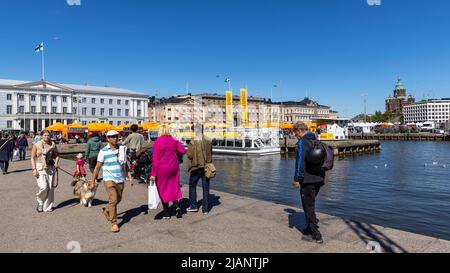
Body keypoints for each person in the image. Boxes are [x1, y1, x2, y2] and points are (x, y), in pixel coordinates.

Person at [90, 130, 133, 233]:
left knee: (119, 199)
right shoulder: (103, 151)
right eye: (112, 137)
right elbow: (97, 167)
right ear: (108, 139)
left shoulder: (122, 149)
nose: (115, 138)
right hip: (108, 178)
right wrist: (93, 180)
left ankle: (107, 210)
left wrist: (129, 176)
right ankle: (114, 223)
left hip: (120, 178)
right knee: (113, 200)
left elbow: (125, 164)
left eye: (116, 136)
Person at [292, 121, 326, 244]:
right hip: (319, 179)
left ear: (299, 131)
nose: (296, 136)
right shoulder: (316, 140)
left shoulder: (303, 142)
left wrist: (296, 179)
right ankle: (308, 229)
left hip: (308, 180)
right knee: (310, 204)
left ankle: (317, 235)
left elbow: (300, 162)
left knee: (308, 207)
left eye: (296, 134)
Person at [150, 124, 186, 219]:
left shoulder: (158, 142)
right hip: (174, 167)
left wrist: (153, 174)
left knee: (162, 189)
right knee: (173, 186)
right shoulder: (174, 141)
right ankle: (177, 206)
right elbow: (183, 151)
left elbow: (155, 160)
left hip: (162, 169)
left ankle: (166, 213)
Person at [31, 131, 60, 213]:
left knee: (50, 188)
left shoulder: (53, 144)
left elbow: (57, 155)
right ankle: (40, 202)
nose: (47, 136)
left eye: (48, 135)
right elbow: (32, 157)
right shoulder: (36, 145)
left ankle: (47, 206)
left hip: (51, 167)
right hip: (40, 167)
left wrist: (56, 163)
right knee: (43, 187)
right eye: (45, 135)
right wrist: (34, 169)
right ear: (41, 136)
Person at [186, 125, 213, 214]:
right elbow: (210, 153)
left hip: (196, 167)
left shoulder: (192, 141)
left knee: (192, 185)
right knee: (206, 187)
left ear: (195, 131)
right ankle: (205, 209)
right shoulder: (209, 140)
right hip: (207, 167)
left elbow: (189, 155)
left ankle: (193, 206)